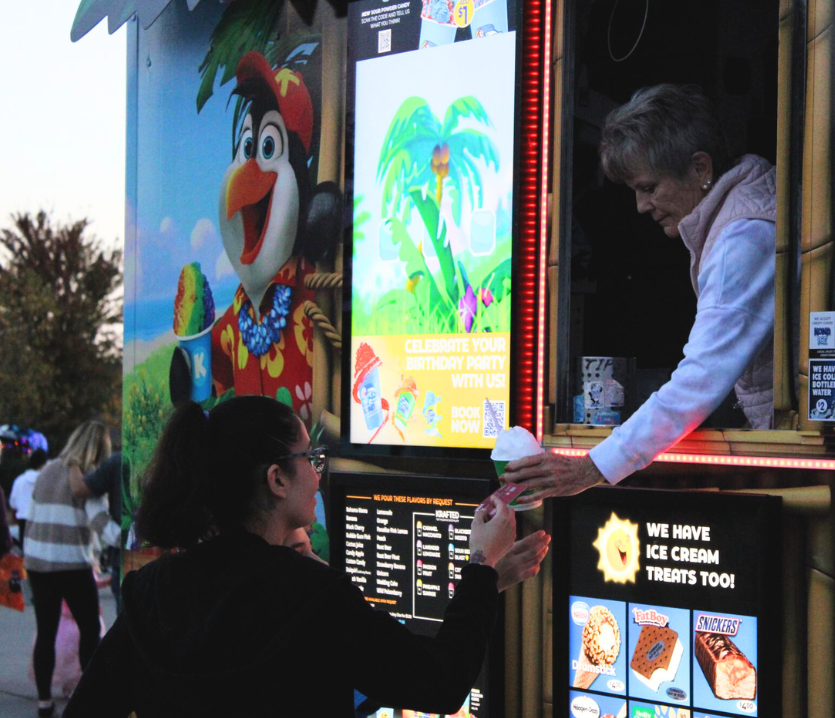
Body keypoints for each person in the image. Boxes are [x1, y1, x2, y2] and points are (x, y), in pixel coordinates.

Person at [65, 397, 546, 717]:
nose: (319, 474)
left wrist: (487, 582)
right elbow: (439, 683)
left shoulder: (151, 590)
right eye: (311, 459)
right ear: (276, 479)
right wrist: (479, 563)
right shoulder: (311, 594)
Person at [505, 83, 775, 499]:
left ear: (701, 168)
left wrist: (594, 467)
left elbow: (701, 377)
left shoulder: (742, 238)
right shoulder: (738, 212)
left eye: (649, 188)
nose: (640, 206)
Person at [25, 421, 112, 718]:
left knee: (46, 631)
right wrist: (127, 540)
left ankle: (44, 702)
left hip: (37, 561)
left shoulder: (47, 469)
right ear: (100, 447)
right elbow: (99, 520)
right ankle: (89, 697)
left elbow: (34, 513)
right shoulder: (88, 476)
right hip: (72, 563)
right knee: (90, 630)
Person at [69, 451, 125, 613]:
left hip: (125, 558)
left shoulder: (119, 462)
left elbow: (80, 490)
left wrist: (73, 460)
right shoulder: (180, 457)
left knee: (129, 628)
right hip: (172, 556)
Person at [9, 448, 48, 552]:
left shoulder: (19, 480)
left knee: (25, 556)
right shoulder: (47, 481)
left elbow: (13, 505)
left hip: (23, 524)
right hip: (42, 523)